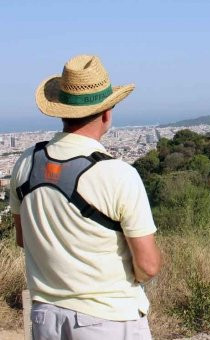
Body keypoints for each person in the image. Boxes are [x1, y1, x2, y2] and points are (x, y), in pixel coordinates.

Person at [10, 55, 161, 339]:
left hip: (46, 317)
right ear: (107, 114)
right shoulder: (117, 174)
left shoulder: (26, 163)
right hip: (107, 318)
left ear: (61, 111)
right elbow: (148, 265)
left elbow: (22, 238)